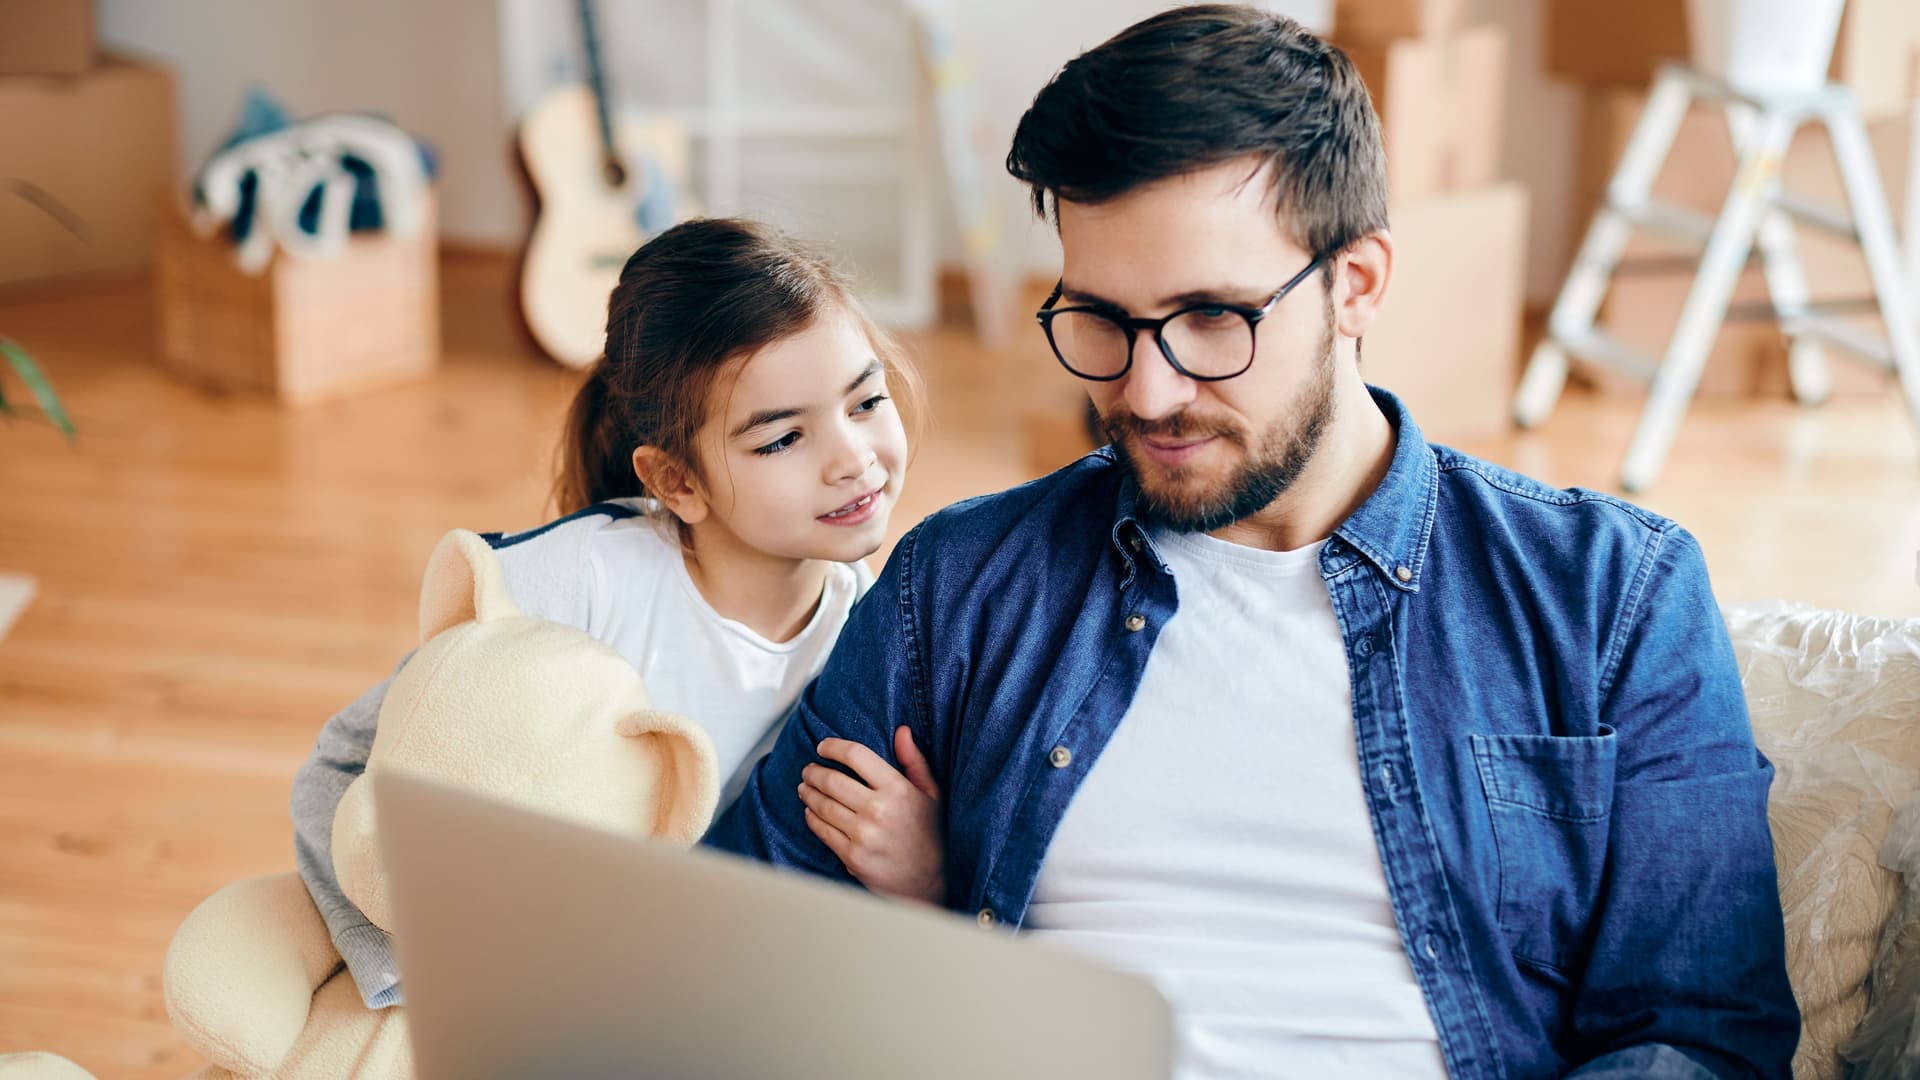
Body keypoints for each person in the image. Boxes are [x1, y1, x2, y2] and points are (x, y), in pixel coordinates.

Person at [706, 7, 1799, 1077]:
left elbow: (1699, 1038)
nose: (1147, 389)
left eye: (1212, 318)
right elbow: (732, 943)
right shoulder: (961, 584)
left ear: (1356, 284)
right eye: (1101, 319)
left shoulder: (1612, 595)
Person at [291, 217, 943, 1009]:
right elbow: (344, 762)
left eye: (866, 400)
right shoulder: (582, 582)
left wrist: (924, 868)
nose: (854, 457)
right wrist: (405, 976)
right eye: (782, 440)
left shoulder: (872, 625)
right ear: (676, 482)